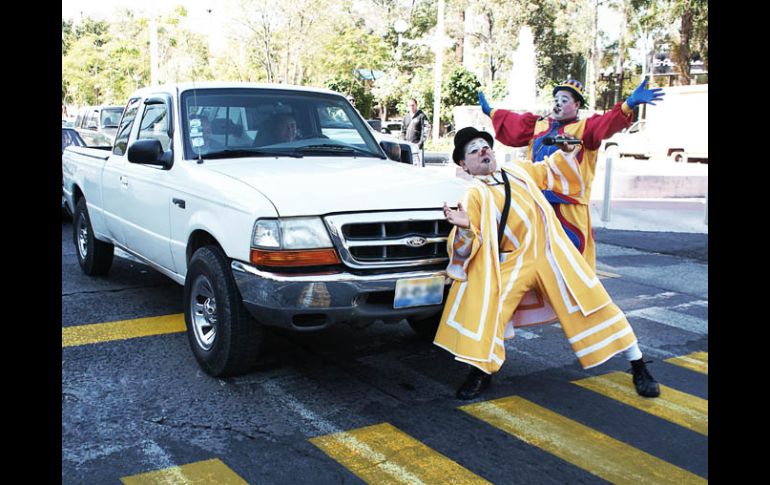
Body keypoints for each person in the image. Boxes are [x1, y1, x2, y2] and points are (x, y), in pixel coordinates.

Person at [435, 126, 660, 401]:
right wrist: (466, 227)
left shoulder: (518, 171)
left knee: (593, 302)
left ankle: (637, 364)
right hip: (513, 262)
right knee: (490, 314)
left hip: (552, 255)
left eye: (485, 146)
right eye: (473, 150)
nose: (483, 151)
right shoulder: (473, 195)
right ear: (464, 165)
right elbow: (466, 247)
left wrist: (567, 153)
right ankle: (481, 372)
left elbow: (552, 170)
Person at [478, 79, 664, 270]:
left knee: (571, 260)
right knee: (535, 258)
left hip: (569, 207)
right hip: (538, 203)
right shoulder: (539, 125)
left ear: (576, 105)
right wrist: (491, 112)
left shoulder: (585, 128)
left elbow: (607, 123)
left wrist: (629, 104)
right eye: (556, 98)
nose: (558, 102)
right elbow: (514, 124)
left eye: (565, 99)